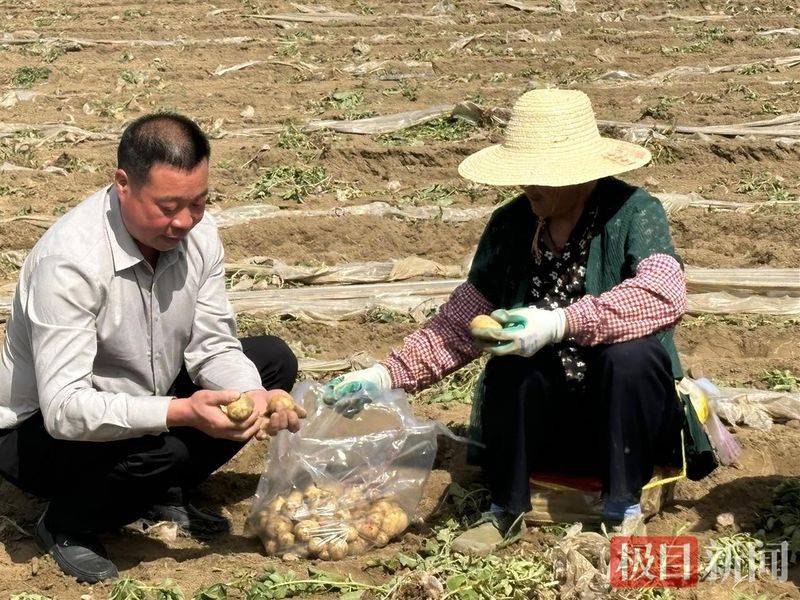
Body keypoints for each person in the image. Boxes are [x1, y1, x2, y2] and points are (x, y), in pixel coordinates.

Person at [324, 89, 714, 550]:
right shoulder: (512, 225)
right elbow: (459, 323)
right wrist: (384, 375)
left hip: (625, 417)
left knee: (631, 355)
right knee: (508, 357)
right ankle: (505, 511)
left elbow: (663, 293)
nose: (529, 185)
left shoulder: (633, 212)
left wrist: (558, 323)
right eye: (524, 174)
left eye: (541, 175)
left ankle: (621, 508)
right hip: (547, 420)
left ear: (578, 172)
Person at [0, 113, 300, 582]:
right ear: (123, 183)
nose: (184, 221)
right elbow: (64, 410)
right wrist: (180, 412)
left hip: (140, 391)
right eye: (167, 206)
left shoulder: (199, 234)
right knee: (165, 449)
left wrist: (255, 395)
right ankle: (67, 525)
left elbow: (213, 342)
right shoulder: (70, 262)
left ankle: (157, 493)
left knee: (271, 362)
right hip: (38, 430)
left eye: (198, 202)